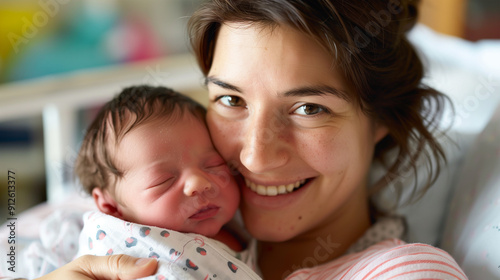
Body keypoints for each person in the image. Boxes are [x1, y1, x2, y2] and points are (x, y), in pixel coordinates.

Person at [38, 0, 468, 279]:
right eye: (231, 99)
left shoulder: (404, 272)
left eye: (309, 108)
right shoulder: (123, 212)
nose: (255, 156)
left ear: (382, 120)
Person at [72, 85, 259, 279]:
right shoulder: (131, 256)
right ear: (110, 206)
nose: (199, 183)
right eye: (164, 181)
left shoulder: (246, 221)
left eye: (214, 164)